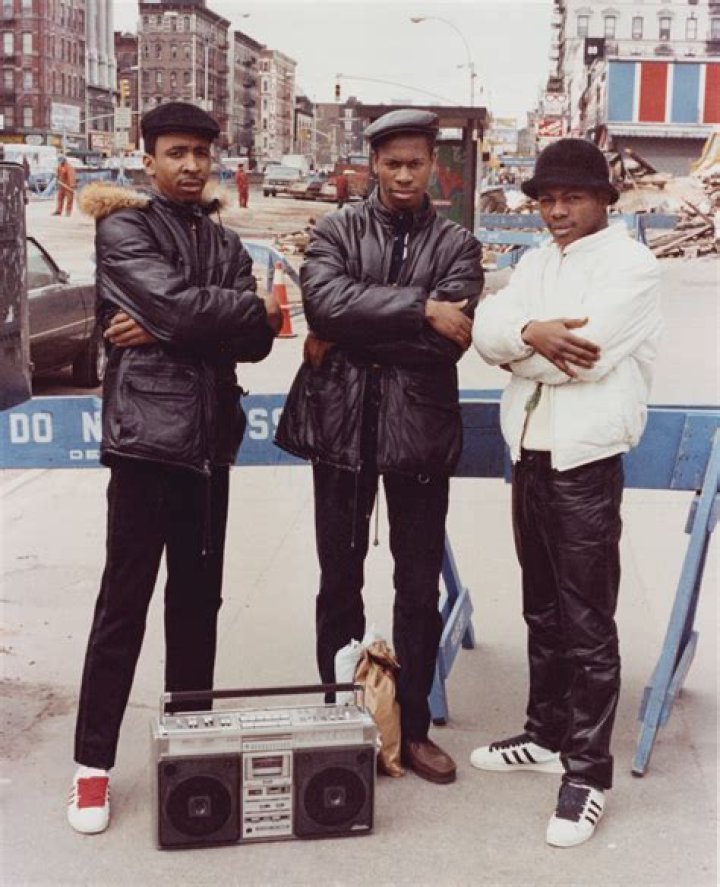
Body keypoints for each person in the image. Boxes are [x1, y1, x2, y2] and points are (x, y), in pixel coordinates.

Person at [67, 101, 281, 835]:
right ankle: (91, 769)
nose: (191, 166)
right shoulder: (123, 226)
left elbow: (257, 338)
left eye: (201, 153)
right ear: (148, 158)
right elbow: (196, 309)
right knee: (123, 605)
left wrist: (171, 323)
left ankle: (190, 750)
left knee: (198, 603)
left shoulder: (223, 239)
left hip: (210, 445)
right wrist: (219, 313)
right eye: (176, 153)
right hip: (145, 441)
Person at [275, 109, 484, 785]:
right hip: (340, 426)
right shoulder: (336, 229)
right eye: (391, 163)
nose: (402, 175)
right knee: (339, 579)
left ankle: (413, 727)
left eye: (414, 163)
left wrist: (352, 329)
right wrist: (421, 309)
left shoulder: (458, 244)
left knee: (416, 585)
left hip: (417, 430)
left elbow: (446, 344)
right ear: (373, 164)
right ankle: (341, 716)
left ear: (432, 166)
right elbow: (323, 305)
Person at [470, 139, 662, 847]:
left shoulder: (632, 265)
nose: (556, 210)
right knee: (542, 607)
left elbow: (586, 358)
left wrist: (520, 352)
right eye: (546, 199)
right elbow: (486, 331)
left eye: (572, 197)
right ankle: (546, 734)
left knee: (587, 621)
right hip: (530, 452)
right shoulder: (535, 263)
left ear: (605, 199)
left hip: (585, 460)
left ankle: (587, 774)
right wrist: (528, 332)